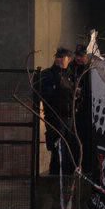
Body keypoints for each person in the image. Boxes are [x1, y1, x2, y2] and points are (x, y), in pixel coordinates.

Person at [37, 47, 76, 175]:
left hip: (69, 118)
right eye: (65, 58)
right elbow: (44, 95)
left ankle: (66, 179)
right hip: (55, 118)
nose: (66, 61)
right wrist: (60, 90)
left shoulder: (70, 75)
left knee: (69, 151)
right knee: (58, 152)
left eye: (66, 58)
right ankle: (56, 179)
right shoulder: (48, 74)